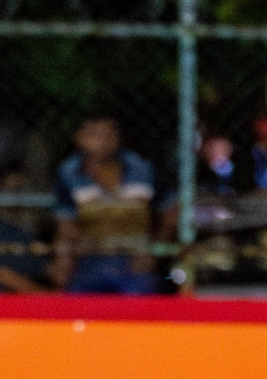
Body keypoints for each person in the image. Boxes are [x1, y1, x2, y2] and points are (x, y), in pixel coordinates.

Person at [52, 114, 175, 295]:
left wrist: (153, 252)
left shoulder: (142, 167)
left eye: (109, 133)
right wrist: (63, 261)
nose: (104, 141)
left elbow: (171, 212)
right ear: (78, 138)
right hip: (89, 260)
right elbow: (66, 225)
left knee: (141, 300)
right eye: (95, 134)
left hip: (136, 260)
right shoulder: (69, 173)